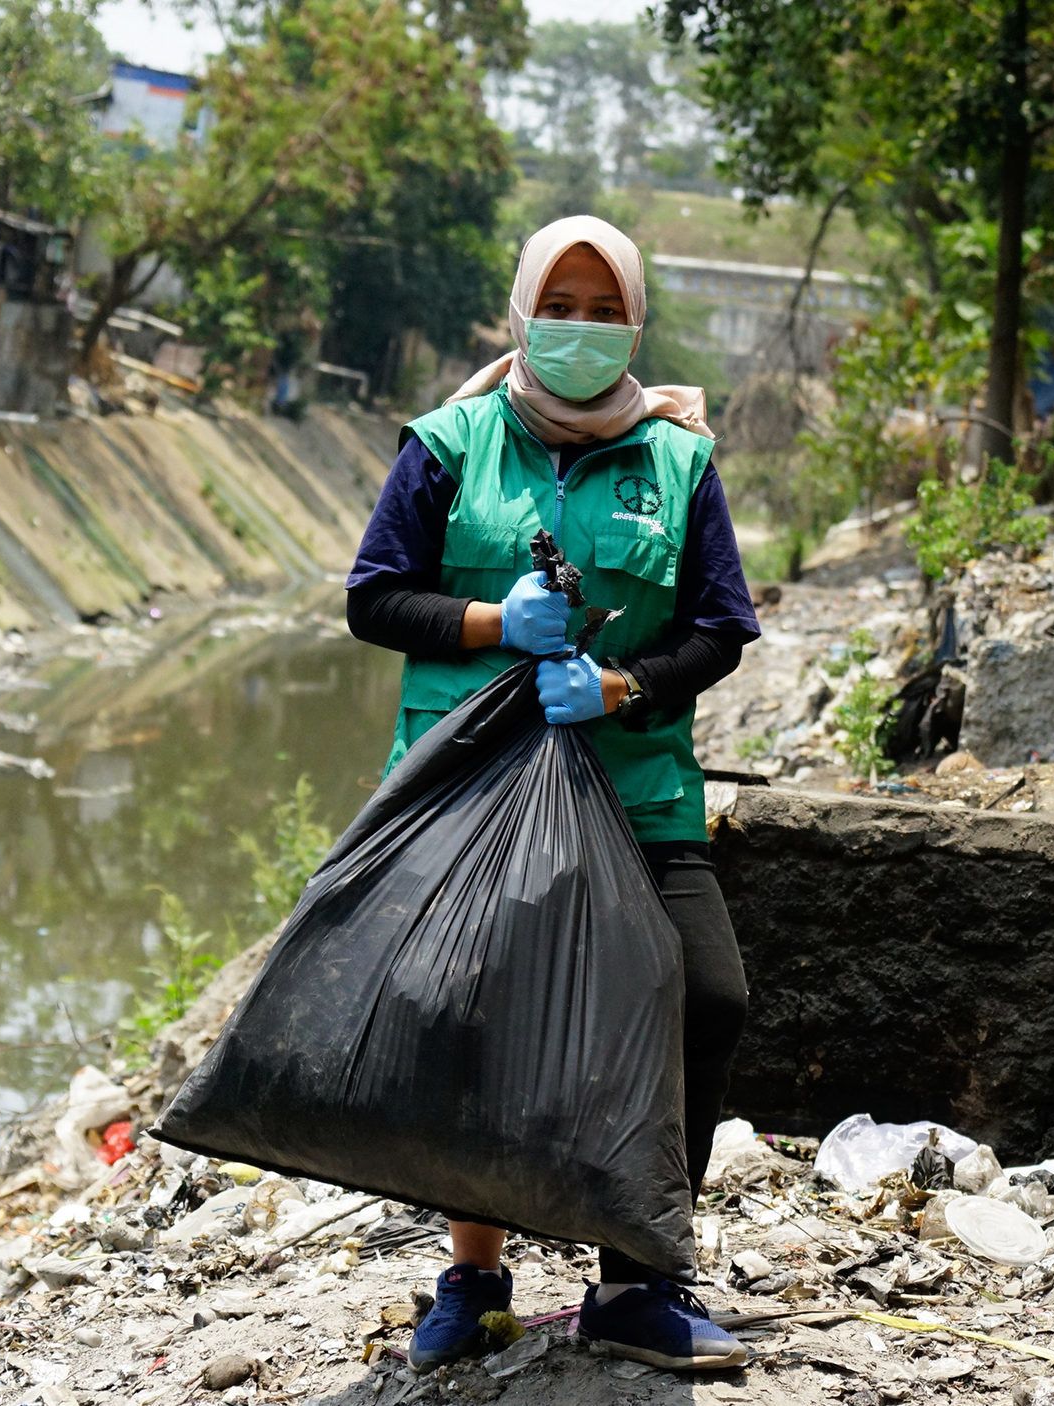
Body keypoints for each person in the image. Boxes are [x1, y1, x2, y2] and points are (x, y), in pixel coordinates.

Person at [343, 215, 760, 1373]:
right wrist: (490, 623)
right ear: (521, 312)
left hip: (635, 784)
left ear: (634, 322)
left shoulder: (679, 459)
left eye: (601, 308)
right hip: (466, 785)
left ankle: (635, 1281)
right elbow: (375, 597)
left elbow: (721, 626)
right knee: (470, 1008)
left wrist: (625, 683)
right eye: (558, 305)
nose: (579, 327)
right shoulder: (448, 441)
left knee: (701, 996)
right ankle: (473, 1275)